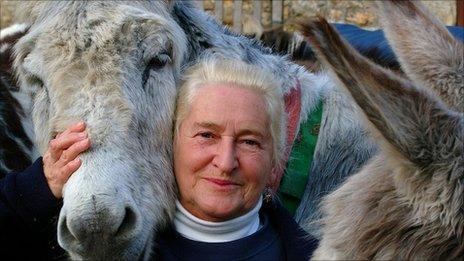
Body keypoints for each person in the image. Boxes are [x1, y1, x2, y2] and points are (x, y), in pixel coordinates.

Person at [0, 54, 317, 260]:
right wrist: (35, 190)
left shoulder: (322, 255)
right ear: (172, 139)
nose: (225, 161)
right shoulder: (107, 240)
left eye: (249, 142)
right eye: (206, 135)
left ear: (276, 158)